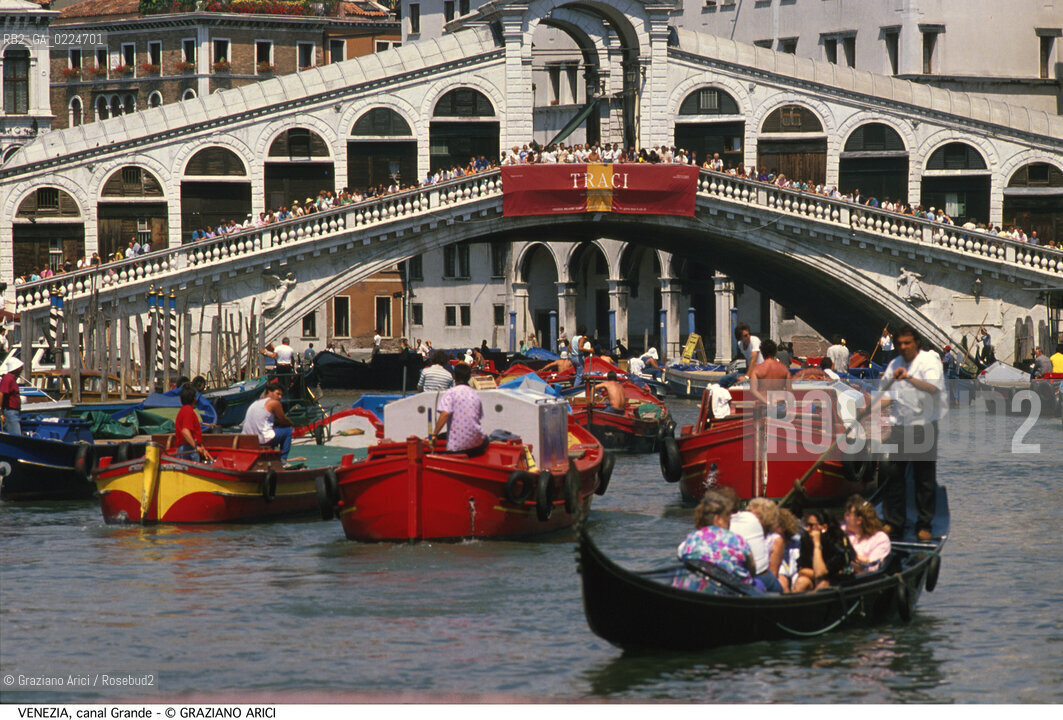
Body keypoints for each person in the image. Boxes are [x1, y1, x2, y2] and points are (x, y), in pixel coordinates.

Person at [876, 325, 947, 542]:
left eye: (907, 343)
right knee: (892, 474)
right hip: (899, 427)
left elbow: (933, 388)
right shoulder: (894, 364)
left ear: (916, 342)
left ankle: (924, 525)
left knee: (923, 478)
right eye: (899, 344)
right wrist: (870, 406)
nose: (903, 347)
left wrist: (908, 379)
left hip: (923, 426)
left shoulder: (929, 361)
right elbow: (887, 396)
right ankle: (893, 522)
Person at [675, 490, 756, 591]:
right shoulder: (737, 540)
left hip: (695, 591)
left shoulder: (691, 539)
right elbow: (752, 569)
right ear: (717, 518)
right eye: (728, 516)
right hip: (729, 592)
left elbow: (680, 556)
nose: (730, 519)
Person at [791, 509, 855, 592]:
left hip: (838, 584)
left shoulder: (837, 543)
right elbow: (802, 570)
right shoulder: (806, 540)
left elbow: (821, 572)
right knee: (801, 582)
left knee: (822, 584)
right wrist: (817, 574)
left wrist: (817, 544)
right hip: (816, 578)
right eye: (807, 525)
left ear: (824, 527)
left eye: (811, 525)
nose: (807, 529)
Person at [430, 363, 486, 453]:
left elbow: (445, 414)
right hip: (477, 442)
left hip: (457, 446)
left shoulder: (450, 393)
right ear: (469, 377)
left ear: (454, 376)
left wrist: (435, 434)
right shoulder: (475, 394)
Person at [241, 381, 293, 462]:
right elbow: (283, 420)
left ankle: (271, 457)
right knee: (288, 430)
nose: (280, 397)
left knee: (272, 429)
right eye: (277, 394)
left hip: (248, 439)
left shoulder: (256, 402)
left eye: (281, 395)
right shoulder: (274, 403)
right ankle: (283, 459)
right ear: (269, 391)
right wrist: (292, 423)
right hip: (262, 439)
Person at [842, 494, 892, 574]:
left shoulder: (880, 539)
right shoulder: (843, 531)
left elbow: (872, 569)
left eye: (848, 515)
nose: (844, 518)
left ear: (859, 520)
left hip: (863, 581)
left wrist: (851, 558)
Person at [174, 383, 212, 463]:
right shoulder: (188, 411)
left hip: (188, 447)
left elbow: (192, 434)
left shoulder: (183, 411)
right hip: (188, 449)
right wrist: (196, 447)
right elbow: (185, 431)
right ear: (194, 399)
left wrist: (202, 449)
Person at [748, 338, 792, 406]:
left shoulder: (757, 370)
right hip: (780, 405)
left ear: (762, 352)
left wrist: (767, 402)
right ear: (775, 352)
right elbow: (789, 391)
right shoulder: (784, 369)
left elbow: (753, 390)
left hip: (764, 406)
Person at [767, 508, 802, 593]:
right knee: (782, 583)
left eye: (775, 524)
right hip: (779, 576)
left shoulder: (797, 542)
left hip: (796, 574)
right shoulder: (769, 542)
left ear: (784, 526)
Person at [0, 356, 23, 435]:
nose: (21, 369)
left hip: (14, 411)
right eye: (20, 368)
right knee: (16, 435)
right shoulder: (7, 379)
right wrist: (1, 411)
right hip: (10, 411)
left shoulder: (12, 379)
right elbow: (1, 393)